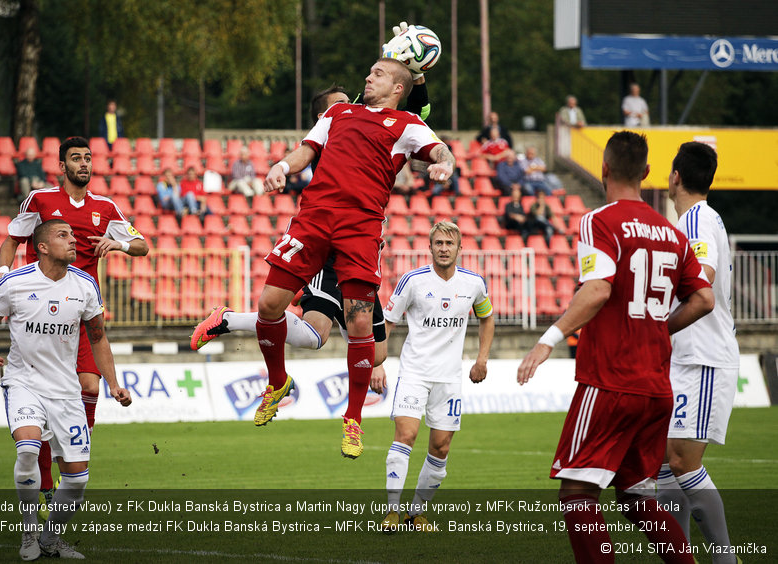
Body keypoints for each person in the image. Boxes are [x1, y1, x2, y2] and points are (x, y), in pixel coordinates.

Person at [191, 29, 435, 405]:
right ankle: (232, 324)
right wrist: (409, 66)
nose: (355, 99)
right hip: (329, 246)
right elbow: (390, 103)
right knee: (306, 326)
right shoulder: (338, 125)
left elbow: (407, 112)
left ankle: (230, 321)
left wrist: (412, 67)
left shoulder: (374, 121)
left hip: (358, 241)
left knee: (352, 347)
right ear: (324, 115)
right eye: (342, 102)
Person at [516, 131, 715, 564]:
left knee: (577, 492)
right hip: (657, 387)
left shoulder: (599, 221)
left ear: (604, 169)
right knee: (635, 495)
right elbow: (703, 299)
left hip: (610, 381)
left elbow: (597, 290)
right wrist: (661, 328)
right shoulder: (672, 232)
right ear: (646, 173)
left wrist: (547, 341)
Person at [249, 57, 453, 460]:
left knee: (360, 321)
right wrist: (280, 167)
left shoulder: (407, 125)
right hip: (313, 218)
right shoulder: (339, 112)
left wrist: (445, 161)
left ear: (398, 87)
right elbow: (305, 150)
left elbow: (438, 146)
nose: (367, 77)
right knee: (268, 304)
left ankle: (353, 419)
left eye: (377, 74)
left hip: (360, 229)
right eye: (370, 71)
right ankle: (277, 382)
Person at [0, 136, 148, 513]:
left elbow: (144, 246)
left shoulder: (106, 207)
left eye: (88, 158)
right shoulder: (40, 200)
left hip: (82, 312)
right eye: (76, 158)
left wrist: (119, 244)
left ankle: (77, 444)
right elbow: (11, 240)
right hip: (40, 312)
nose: (84, 164)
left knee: (90, 384)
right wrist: (2, 271)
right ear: (62, 166)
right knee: (40, 408)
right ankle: (44, 486)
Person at [0, 219, 132, 560]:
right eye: (64, 235)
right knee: (28, 449)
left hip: (66, 391)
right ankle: (29, 533)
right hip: (23, 383)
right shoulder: (15, 283)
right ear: (42, 247)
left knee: (76, 481)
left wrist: (114, 384)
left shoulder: (86, 285)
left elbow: (98, 337)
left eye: (74, 235)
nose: (74, 241)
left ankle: (50, 538)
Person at [376, 221, 493, 532]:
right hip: (414, 373)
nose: (444, 248)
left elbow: (487, 317)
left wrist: (482, 359)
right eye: (438, 243)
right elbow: (387, 322)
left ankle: (417, 513)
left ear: (459, 248)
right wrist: (376, 364)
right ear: (430, 247)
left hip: (450, 379)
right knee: (406, 436)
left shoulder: (474, 284)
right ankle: (392, 511)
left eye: (449, 243)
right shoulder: (412, 281)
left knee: (440, 448)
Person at [657, 141, 740, 561]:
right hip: (687, 356)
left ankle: (725, 557)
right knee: (662, 464)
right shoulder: (696, 220)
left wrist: (657, 327)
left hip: (703, 357)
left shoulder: (695, 221)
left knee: (682, 462)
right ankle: (680, 555)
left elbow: (701, 284)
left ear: (675, 177)